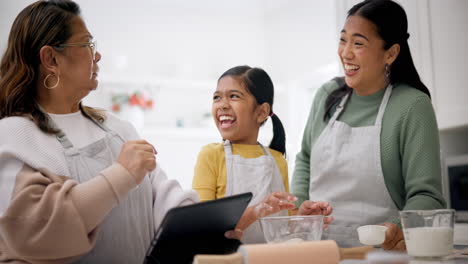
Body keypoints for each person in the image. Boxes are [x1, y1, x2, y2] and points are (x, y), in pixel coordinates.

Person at [0, 1, 202, 263]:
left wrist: (209, 222)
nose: (97, 56)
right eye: (87, 45)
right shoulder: (14, 135)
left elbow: (162, 196)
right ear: (51, 59)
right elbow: (36, 231)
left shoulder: (118, 128)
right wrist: (122, 174)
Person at [292, 0, 446, 250]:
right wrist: (300, 207)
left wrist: (398, 226)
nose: (346, 53)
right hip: (320, 250)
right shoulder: (326, 95)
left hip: (380, 254)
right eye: (343, 40)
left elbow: (427, 196)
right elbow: (305, 159)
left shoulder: (412, 106)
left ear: (391, 53)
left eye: (358, 43)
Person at [192, 65, 333, 244]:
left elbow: (284, 229)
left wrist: (303, 218)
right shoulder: (210, 156)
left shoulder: (277, 160)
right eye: (217, 97)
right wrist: (255, 212)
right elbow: (201, 228)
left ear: (261, 112)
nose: (223, 105)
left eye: (234, 96)